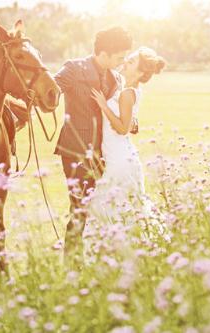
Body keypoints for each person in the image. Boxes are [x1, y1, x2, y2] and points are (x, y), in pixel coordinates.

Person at [53, 27, 136, 264]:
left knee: (101, 207)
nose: (122, 63)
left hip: (108, 152)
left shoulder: (116, 78)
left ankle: (99, 258)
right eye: (119, 57)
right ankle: (72, 263)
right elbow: (50, 89)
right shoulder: (73, 68)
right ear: (104, 53)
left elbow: (118, 111)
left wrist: (132, 120)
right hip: (75, 149)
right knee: (79, 207)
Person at [87, 47, 166, 233]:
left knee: (105, 208)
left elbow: (122, 129)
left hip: (120, 160)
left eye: (130, 62)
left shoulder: (127, 93)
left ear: (139, 73)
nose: (124, 62)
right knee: (121, 210)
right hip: (122, 155)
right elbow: (131, 123)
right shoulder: (129, 89)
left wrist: (103, 106)